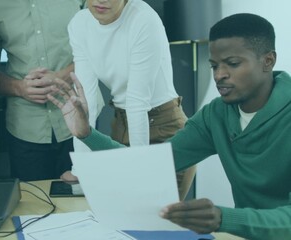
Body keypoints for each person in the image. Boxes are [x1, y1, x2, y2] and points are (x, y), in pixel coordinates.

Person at [48, 13, 291, 240]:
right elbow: (148, 164)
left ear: (268, 61)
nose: (219, 75)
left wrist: (224, 218)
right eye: (215, 65)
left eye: (233, 64)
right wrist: (87, 134)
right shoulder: (216, 115)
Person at [67, 0, 195, 200]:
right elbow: (85, 103)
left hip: (165, 130)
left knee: (156, 221)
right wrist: (80, 170)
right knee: (120, 222)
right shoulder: (79, 24)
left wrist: (139, 171)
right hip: (121, 126)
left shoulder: (143, 19)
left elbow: (137, 102)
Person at [0, 0, 86, 181]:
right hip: (25, 128)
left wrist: (62, 76)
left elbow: (98, 48)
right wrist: (19, 88)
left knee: (86, 201)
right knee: (33, 204)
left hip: (81, 117)